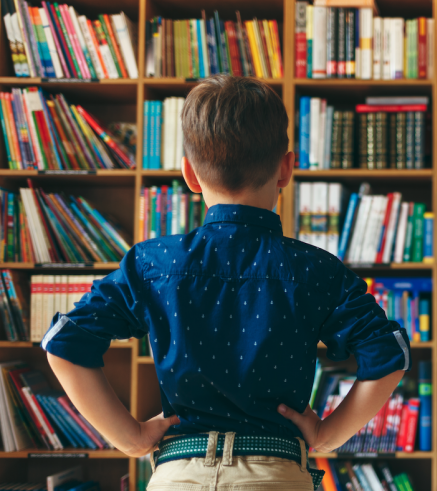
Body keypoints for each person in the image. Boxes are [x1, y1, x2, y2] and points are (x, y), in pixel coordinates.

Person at [43, 75, 410, 490]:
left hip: (178, 475)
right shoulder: (316, 270)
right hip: (276, 476)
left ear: (189, 175)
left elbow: (65, 344)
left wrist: (131, 438)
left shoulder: (153, 263)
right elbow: (388, 353)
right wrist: (328, 434)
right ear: (287, 168)